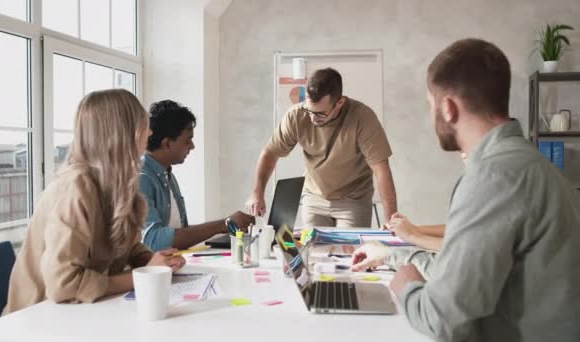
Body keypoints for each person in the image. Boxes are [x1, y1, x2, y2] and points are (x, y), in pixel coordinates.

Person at [355, 38, 580, 341]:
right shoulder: (531, 164)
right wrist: (397, 256)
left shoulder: (493, 176)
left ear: (448, 108)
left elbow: (442, 320)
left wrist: (406, 285)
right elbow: (463, 275)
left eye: (430, 105)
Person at [3, 89, 186, 314]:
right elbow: (64, 284)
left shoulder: (115, 182)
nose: (149, 132)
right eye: (142, 125)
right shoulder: (75, 187)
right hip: (37, 319)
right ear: (120, 133)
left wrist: (153, 261)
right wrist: (141, 276)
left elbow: (124, 246)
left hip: (78, 314)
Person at [246, 67, 397, 228]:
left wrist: (391, 222)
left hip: (353, 199)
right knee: (312, 250)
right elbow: (270, 152)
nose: (312, 118)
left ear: (339, 103)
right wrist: (257, 192)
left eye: (320, 114)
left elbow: (382, 171)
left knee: (349, 252)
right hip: (314, 197)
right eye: (309, 110)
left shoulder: (362, 118)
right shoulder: (297, 115)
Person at [141, 100, 254, 252]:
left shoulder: (167, 174)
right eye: (188, 140)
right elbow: (154, 241)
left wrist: (223, 227)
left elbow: (180, 232)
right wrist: (224, 224)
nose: (192, 146)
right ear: (166, 144)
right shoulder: (141, 179)